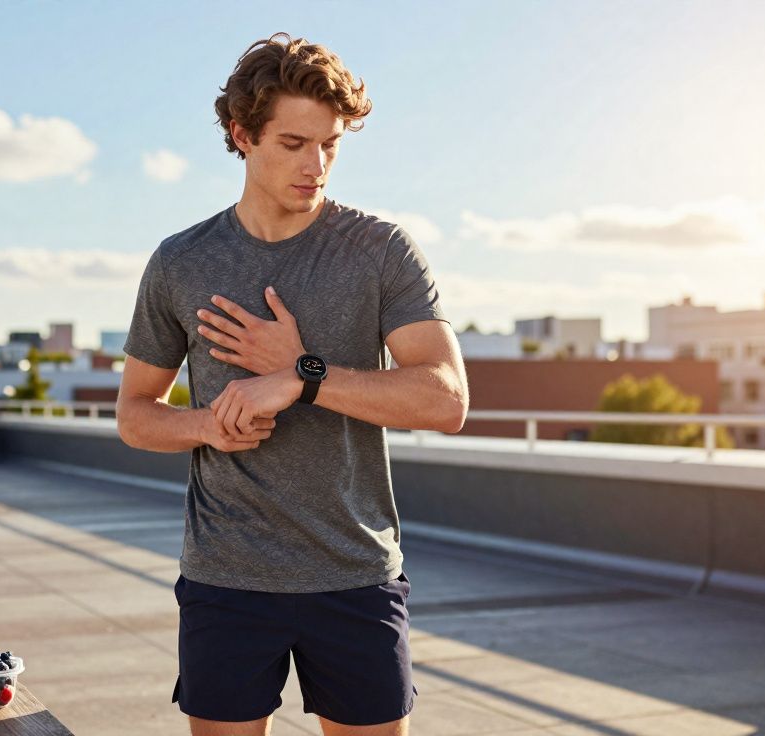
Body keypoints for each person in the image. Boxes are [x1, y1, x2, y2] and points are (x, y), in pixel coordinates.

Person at [116, 33, 469, 736]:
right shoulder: (181, 262)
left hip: (356, 574)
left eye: (331, 145)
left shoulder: (380, 250)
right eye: (293, 143)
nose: (317, 166)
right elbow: (134, 413)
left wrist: (302, 375)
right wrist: (207, 422)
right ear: (241, 135)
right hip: (227, 578)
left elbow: (445, 399)